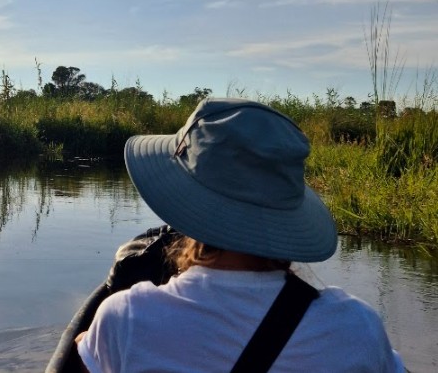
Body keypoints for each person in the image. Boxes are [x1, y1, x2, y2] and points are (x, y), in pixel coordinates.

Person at [76, 98, 405, 372]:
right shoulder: (355, 329)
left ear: (189, 206)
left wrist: (88, 343)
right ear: (288, 215)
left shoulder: (126, 320)